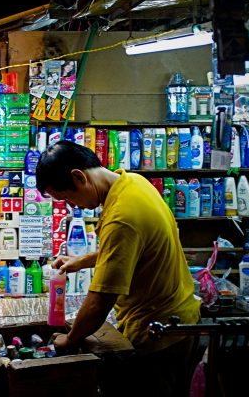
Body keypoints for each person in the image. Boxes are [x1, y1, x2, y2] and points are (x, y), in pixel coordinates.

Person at [36, 140, 201, 396]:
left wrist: (70, 339)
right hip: (181, 320)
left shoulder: (121, 217)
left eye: (68, 197)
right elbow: (133, 247)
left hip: (158, 333)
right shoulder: (133, 183)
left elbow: (100, 301)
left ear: (79, 177)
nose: (74, 206)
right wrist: (82, 261)